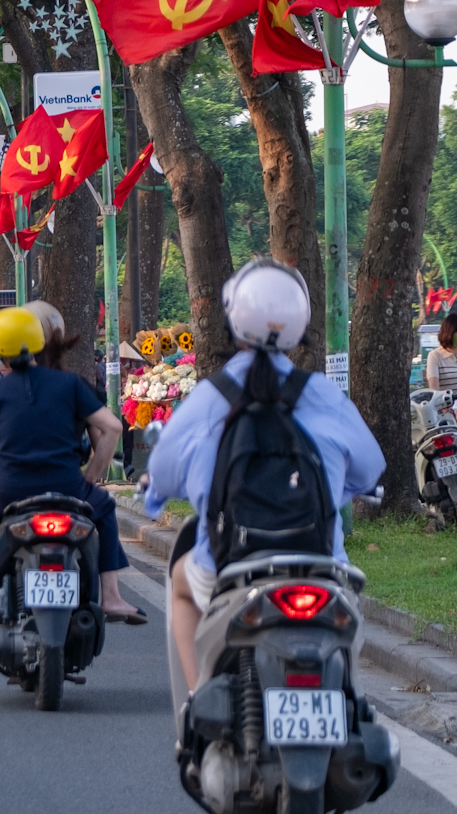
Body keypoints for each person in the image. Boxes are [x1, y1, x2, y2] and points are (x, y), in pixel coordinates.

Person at [144, 258, 386, 688]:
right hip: (320, 569)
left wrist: (158, 492)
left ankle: (201, 703)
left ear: (233, 319)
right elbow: (370, 469)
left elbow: (163, 472)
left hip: (228, 570)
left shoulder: (209, 397)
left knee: (181, 584)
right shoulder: (322, 395)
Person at [0, 305, 146, 631]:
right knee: (105, 509)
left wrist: (0, 480)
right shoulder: (71, 385)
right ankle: (111, 596)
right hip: (67, 486)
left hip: (11, 488)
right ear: (41, 342)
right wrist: (90, 478)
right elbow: (113, 428)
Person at [426, 310, 457, 397]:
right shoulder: (435, 356)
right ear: (449, 333)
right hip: (447, 406)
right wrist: (444, 408)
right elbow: (434, 388)